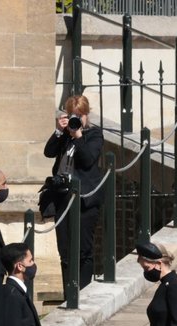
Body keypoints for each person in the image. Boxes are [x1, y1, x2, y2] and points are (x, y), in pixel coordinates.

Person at [43, 94, 105, 290]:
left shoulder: (94, 135)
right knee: (65, 250)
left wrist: (78, 137)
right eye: (72, 115)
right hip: (63, 198)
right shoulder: (64, 136)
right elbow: (48, 152)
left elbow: (87, 161)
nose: (76, 119)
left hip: (85, 200)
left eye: (80, 115)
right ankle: (68, 292)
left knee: (83, 249)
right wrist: (59, 132)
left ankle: (83, 291)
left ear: (87, 115)